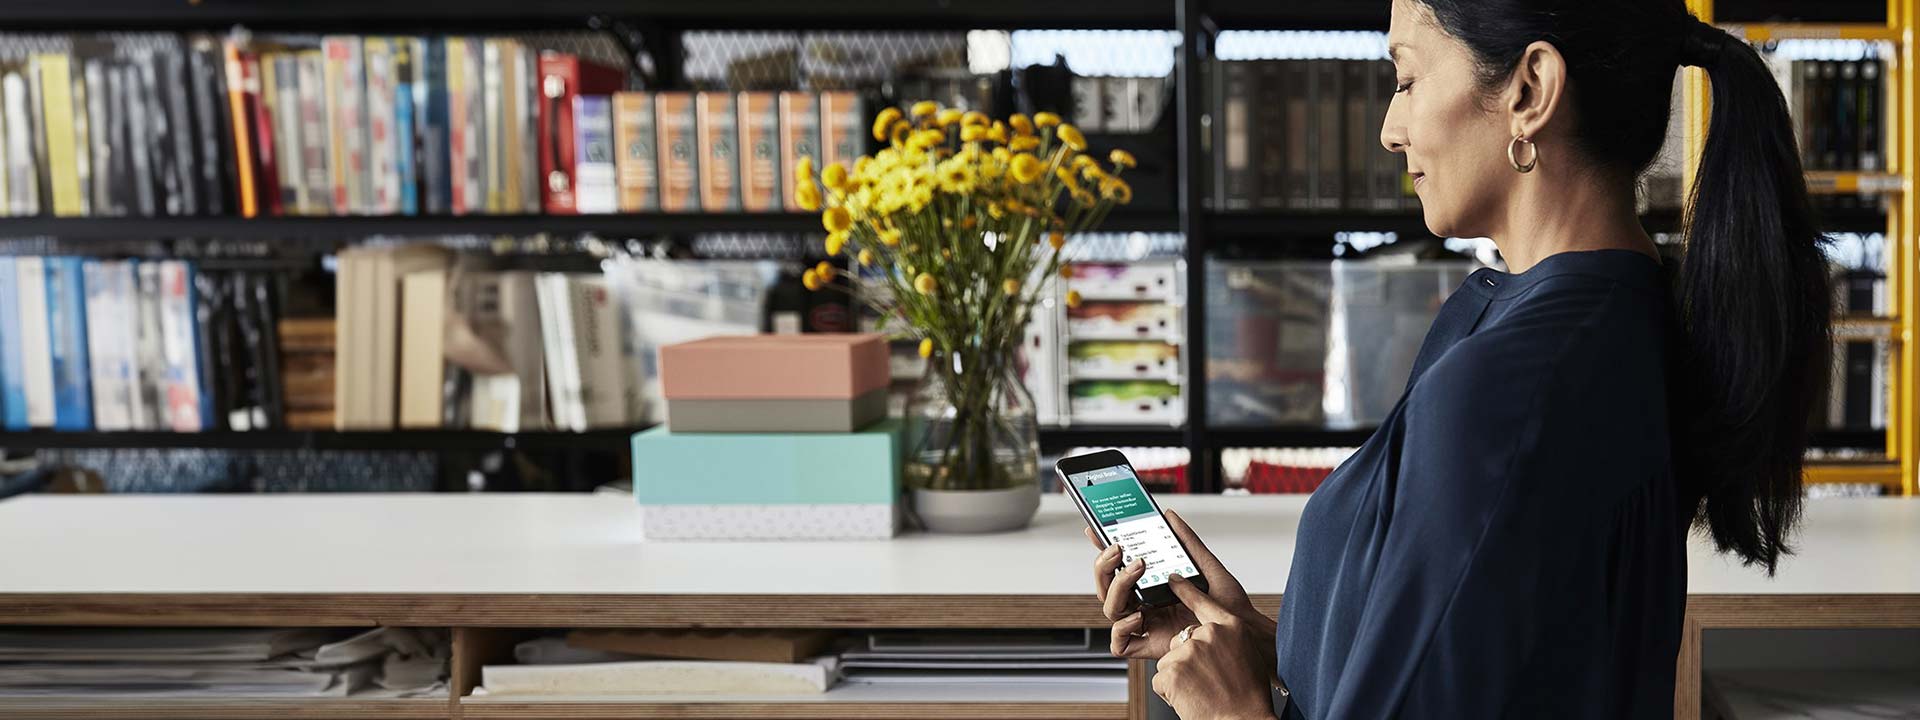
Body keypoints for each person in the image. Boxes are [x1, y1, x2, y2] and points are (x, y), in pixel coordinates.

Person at [1087, 0, 1833, 717]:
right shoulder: (1603, 320)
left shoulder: (1510, 387)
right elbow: (1495, 665)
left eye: (1407, 79)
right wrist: (1254, 647)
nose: (1389, 128)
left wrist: (1232, 714)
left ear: (1530, 90)